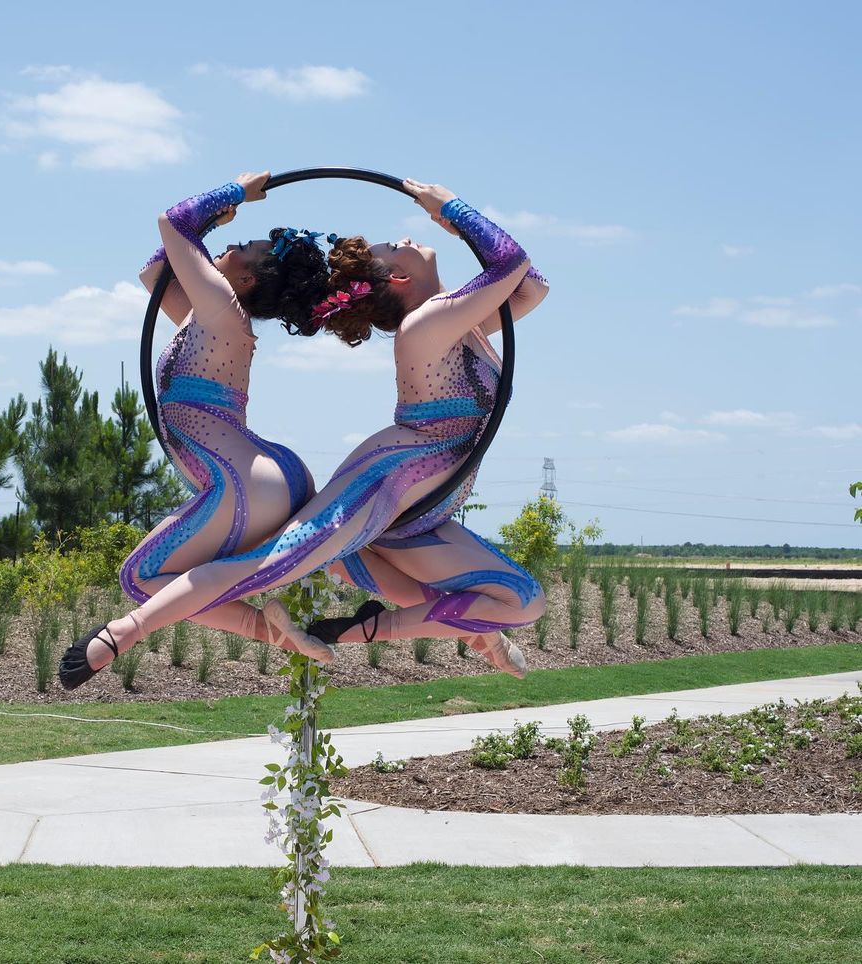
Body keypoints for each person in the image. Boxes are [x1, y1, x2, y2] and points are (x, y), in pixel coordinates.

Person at [61, 178, 548, 686]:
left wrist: (223, 205)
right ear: (400, 278)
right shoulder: (428, 324)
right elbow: (159, 268)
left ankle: (377, 629)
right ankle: (127, 633)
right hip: (399, 481)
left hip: (410, 496)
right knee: (274, 563)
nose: (404, 238)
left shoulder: (446, 321)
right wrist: (453, 212)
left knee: (518, 603)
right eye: (394, 246)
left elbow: (526, 281)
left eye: (392, 245)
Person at [76, 173, 334, 689]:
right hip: (256, 473)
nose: (235, 244)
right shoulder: (209, 315)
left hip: (241, 478)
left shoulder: (221, 311)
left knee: (143, 576)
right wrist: (211, 223)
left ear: (248, 280)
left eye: (247, 248)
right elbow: (156, 272)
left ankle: (130, 636)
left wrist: (235, 191)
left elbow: (173, 221)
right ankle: (274, 630)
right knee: (152, 577)